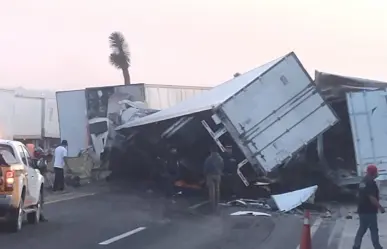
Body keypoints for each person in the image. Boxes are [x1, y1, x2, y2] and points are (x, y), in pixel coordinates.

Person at [353, 164, 385, 249]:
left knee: (362, 229)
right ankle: (377, 246)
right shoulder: (370, 182)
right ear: (374, 173)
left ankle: (356, 246)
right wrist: (380, 207)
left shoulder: (363, 181)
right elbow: (372, 198)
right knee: (373, 229)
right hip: (369, 210)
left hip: (362, 209)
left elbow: (358, 194)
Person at [203, 144, 224, 212]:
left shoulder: (209, 158)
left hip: (210, 175)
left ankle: (212, 207)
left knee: (212, 191)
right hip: (218, 175)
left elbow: (206, 168)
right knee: (217, 190)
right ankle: (217, 205)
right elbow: (222, 166)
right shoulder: (220, 158)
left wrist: (205, 175)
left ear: (211, 151)